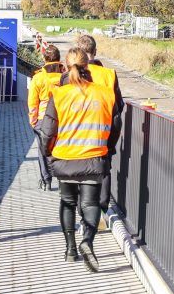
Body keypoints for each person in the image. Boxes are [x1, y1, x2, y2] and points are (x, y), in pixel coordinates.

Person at [39, 47, 121, 272]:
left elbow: (47, 131)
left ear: (64, 67)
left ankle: (70, 249)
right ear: (89, 65)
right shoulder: (105, 94)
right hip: (94, 157)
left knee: (67, 202)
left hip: (65, 158)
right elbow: (115, 126)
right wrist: (108, 148)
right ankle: (88, 241)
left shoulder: (60, 94)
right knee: (90, 203)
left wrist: (48, 154)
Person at [67, 34, 125, 217]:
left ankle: (83, 211)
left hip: (76, 132)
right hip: (103, 131)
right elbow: (119, 105)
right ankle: (101, 210)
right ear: (95, 51)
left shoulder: (69, 75)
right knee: (104, 170)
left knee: (78, 174)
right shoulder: (109, 74)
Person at [27, 44, 65, 191]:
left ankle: (46, 180)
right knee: (61, 149)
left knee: (43, 150)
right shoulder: (65, 76)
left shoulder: (38, 78)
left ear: (44, 58)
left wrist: (33, 121)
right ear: (59, 59)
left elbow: (32, 103)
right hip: (63, 118)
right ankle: (63, 180)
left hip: (43, 119)